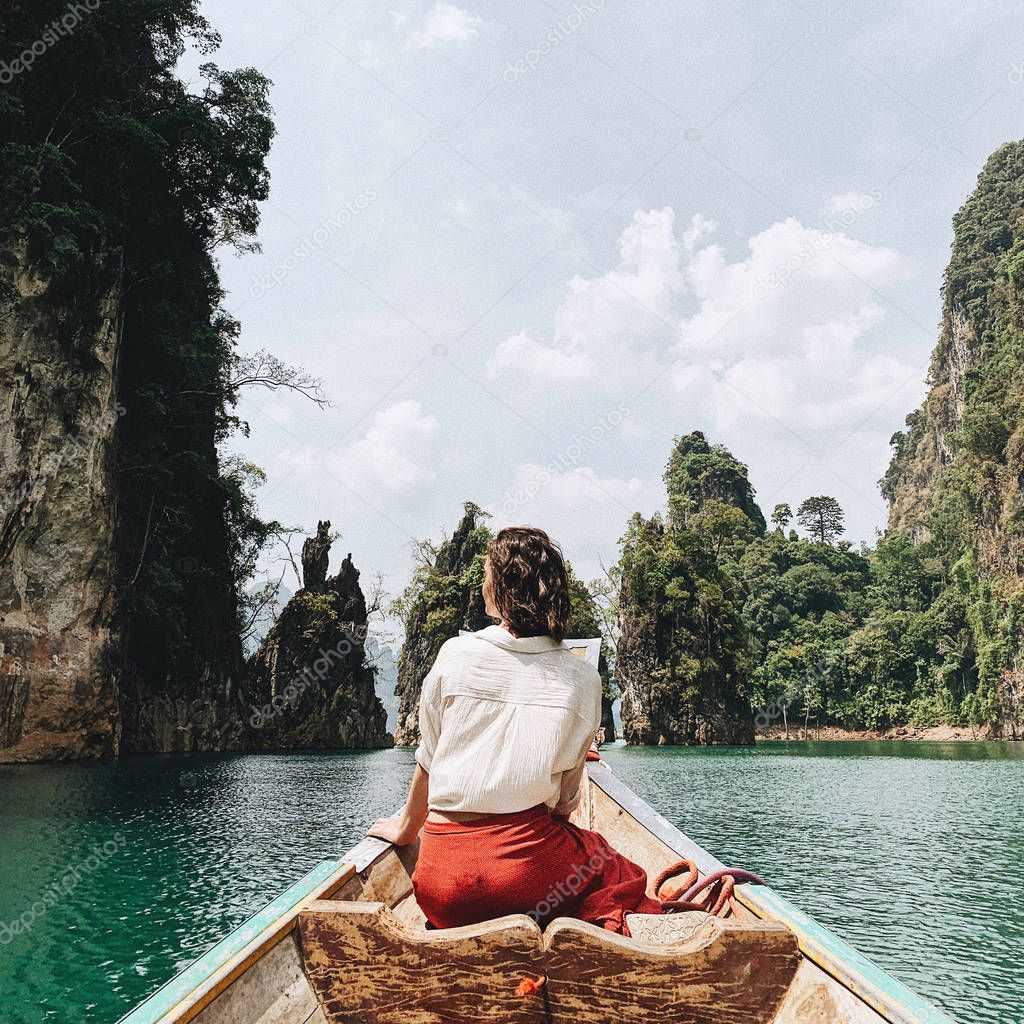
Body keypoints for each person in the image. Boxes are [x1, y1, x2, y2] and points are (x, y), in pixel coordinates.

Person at [368, 526, 662, 935]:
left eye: (488, 573)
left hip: (441, 889)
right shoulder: (582, 678)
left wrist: (405, 828)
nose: (483, 581)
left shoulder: (454, 654)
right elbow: (563, 804)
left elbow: (428, 762)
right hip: (524, 884)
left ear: (500, 591)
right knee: (610, 865)